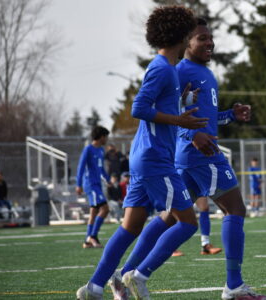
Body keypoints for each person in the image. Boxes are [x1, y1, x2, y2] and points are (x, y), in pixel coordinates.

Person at [76, 6, 208, 300]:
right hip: (155, 160)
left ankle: (94, 287)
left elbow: (160, 104)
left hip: (144, 159)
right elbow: (139, 108)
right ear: (182, 35)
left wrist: (183, 100)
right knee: (187, 222)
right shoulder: (162, 68)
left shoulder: (168, 69)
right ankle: (138, 275)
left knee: (130, 227)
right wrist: (180, 120)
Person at [174, 18, 266, 300]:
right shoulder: (180, 71)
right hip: (200, 155)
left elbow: (206, 118)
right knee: (235, 209)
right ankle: (234, 286)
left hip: (193, 154)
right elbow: (163, 113)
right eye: (201, 38)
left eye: (210, 38)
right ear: (186, 42)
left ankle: (131, 273)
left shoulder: (205, 73)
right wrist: (190, 136)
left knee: (171, 218)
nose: (209, 42)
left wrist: (231, 115)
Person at [75, 127, 112, 248]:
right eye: (106, 136)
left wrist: (107, 179)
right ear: (101, 136)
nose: (107, 139)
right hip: (90, 184)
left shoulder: (101, 150)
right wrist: (78, 184)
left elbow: (101, 168)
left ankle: (87, 240)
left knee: (94, 211)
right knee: (105, 209)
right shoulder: (88, 149)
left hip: (97, 184)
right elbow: (81, 167)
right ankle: (93, 236)